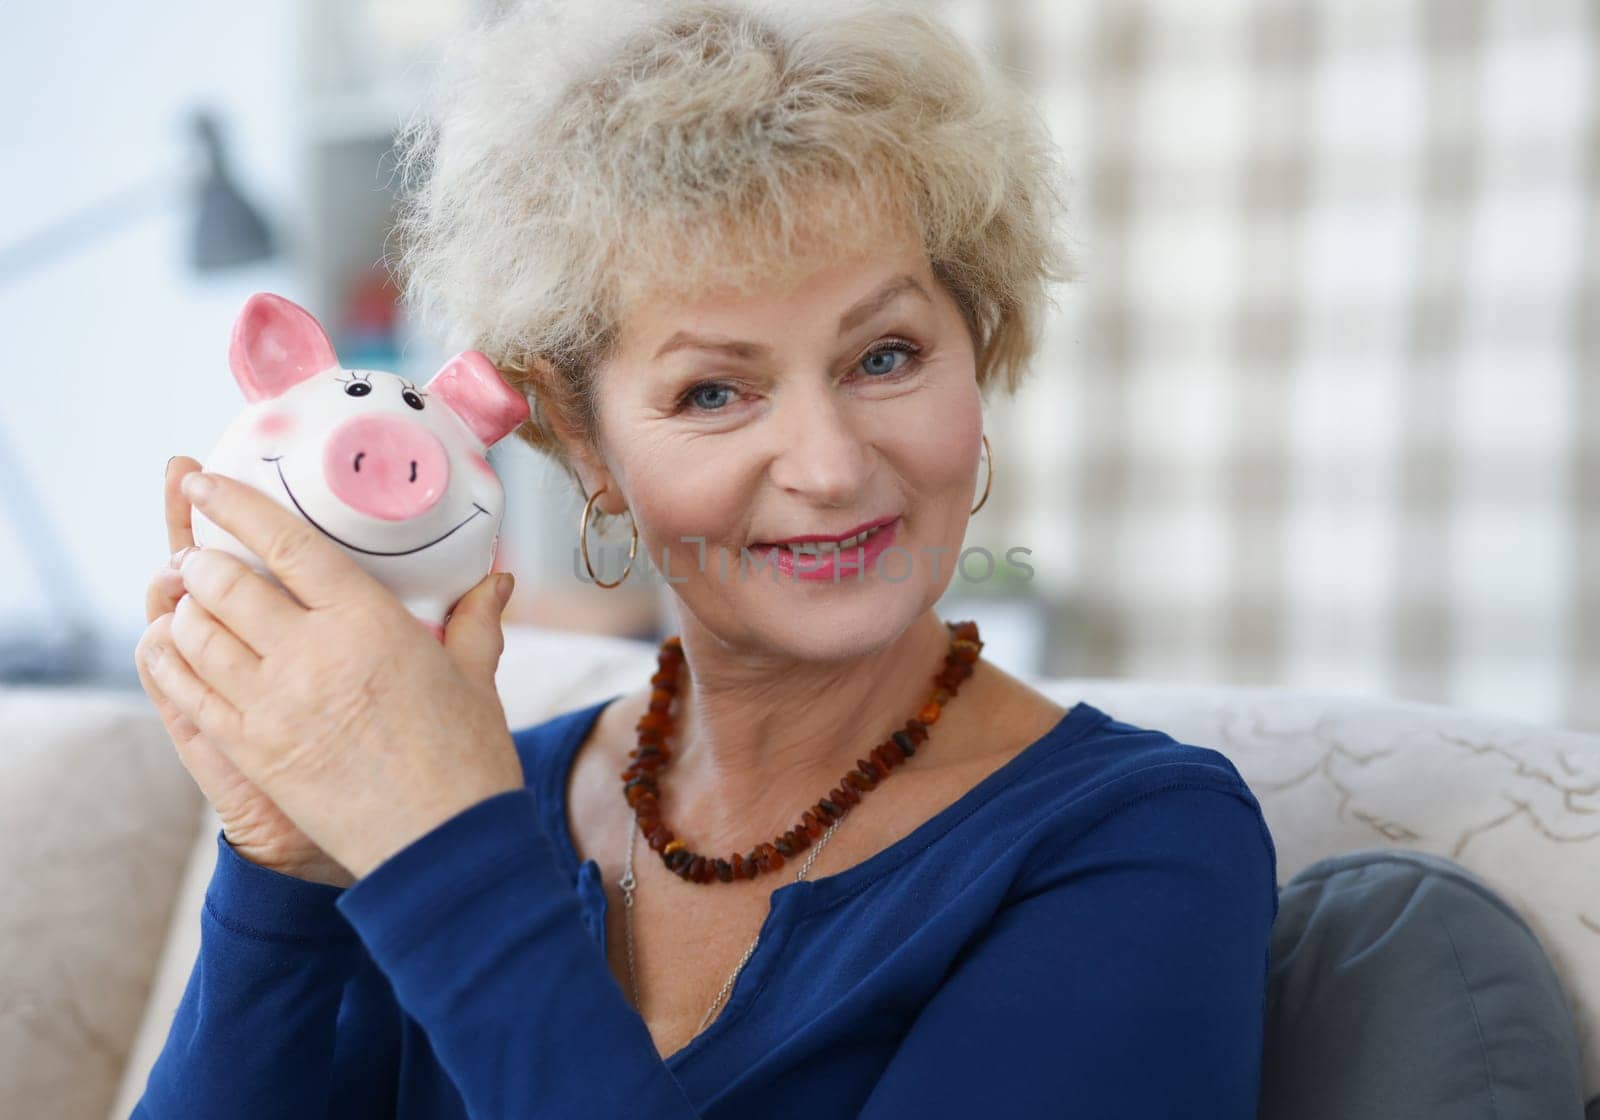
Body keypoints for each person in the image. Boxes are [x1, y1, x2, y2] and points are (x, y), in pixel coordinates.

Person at [131, 0, 1279, 1115]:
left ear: (978, 353)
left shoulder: (1142, 845)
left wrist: (438, 846)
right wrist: (281, 868)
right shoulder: (473, 795)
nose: (828, 466)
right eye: (714, 390)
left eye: (885, 356)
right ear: (581, 445)